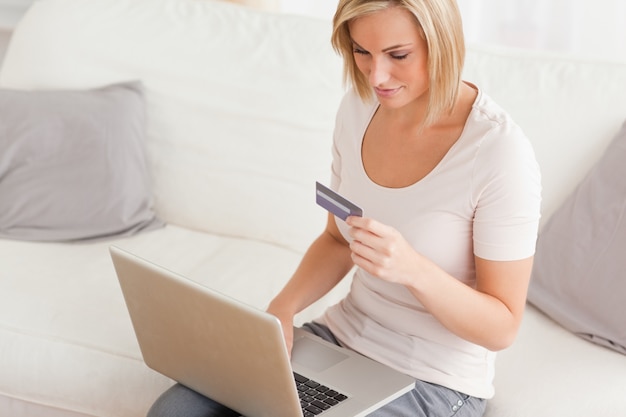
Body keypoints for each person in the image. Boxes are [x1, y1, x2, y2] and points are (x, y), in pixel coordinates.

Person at [147, 0, 541, 416]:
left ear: (442, 43)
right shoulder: (360, 107)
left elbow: (503, 325)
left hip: (434, 380)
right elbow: (337, 240)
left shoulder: (498, 151)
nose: (377, 75)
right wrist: (281, 311)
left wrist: (414, 269)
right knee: (175, 411)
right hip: (340, 341)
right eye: (361, 52)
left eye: (398, 55)